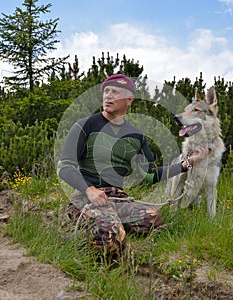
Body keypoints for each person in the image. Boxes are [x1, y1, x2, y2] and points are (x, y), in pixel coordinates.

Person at [57, 74, 208, 253]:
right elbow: (64, 167)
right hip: (86, 198)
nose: (108, 95)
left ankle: (110, 222)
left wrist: (187, 163)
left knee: (153, 219)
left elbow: (151, 175)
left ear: (129, 99)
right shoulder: (84, 125)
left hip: (117, 198)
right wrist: (90, 191)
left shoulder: (136, 136)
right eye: (106, 91)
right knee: (109, 237)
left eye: (115, 92)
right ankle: (100, 228)